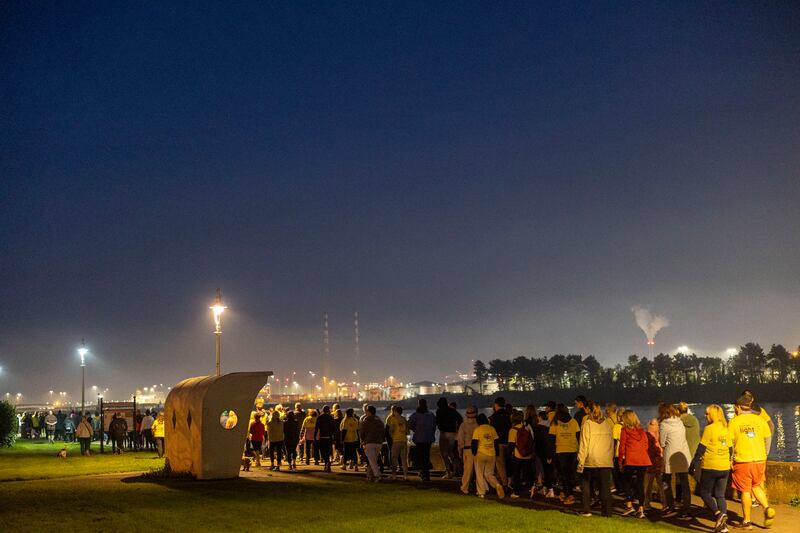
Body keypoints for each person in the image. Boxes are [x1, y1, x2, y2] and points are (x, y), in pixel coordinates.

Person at [728, 393, 775, 530]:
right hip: (759, 459)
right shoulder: (760, 420)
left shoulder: (734, 422)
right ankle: (767, 508)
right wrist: (765, 454)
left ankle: (747, 521)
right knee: (756, 486)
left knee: (745, 491)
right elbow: (768, 437)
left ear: (737, 407)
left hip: (743, 460)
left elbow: (730, 443)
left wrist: (730, 458)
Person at [690, 404, 732, 533]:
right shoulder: (726, 428)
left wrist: (694, 463)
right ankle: (722, 526)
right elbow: (730, 449)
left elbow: (701, 449)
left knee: (705, 493)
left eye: (707, 414)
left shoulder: (709, 429)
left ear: (712, 415)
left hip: (711, 465)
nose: (705, 415)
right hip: (724, 466)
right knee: (720, 495)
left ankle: (718, 514)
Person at [576, 401, 614, 517]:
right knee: (605, 488)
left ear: (589, 411)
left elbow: (584, 444)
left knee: (586, 485)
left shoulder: (587, 424)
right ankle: (607, 512)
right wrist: (610, 458)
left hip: (591, 460)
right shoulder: (607, 424)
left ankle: (587, 509)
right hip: (605, 460)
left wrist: (580, 461)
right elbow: (611, 443)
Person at [658, 402, 692, 519]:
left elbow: (662, 442)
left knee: (666, 481)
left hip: (670, 456)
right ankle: (686, 509)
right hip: (683, 455)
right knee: (685, 483)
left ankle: (670, 506)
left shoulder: (663, 424)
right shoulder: (679, 422)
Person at [618, 409, 652, 519]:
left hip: (631, 460)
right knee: (640, 484)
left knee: (626, 482)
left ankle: (629, 505)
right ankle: (641, 509)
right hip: (643, 460)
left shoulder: (625, 431)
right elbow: (646, 445)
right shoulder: (642, 431)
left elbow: (622, 447)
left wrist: (620, 461)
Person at [549, 403, 579, 505]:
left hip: (560, 451)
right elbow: (578, 436)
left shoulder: (555, 423)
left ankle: (570, 495)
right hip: (573, 450)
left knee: (564, 474)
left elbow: (551, 440)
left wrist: (550, 454)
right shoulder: (573, 421)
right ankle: (565, 492)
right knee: (569, 473)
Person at [471, 413, 505, 499]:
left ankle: (481, 492)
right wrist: (496, 453)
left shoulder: (477, 429)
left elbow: (474, 443)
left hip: (481, 453)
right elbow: (496, 442)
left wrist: (474, 453)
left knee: (479, 473)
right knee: (489, 474)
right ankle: (497, 484)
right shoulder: (492, 429)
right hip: (491, 454)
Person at [408, 398, 436, 481]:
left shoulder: (415, 415)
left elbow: (409, 425)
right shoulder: (431, 415)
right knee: (426, 456)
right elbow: (434, 426)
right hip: (428, 438)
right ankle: (426, 473)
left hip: (419, 438)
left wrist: (415, 429)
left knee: (421, 456)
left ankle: (423, 473)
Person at [508, 410, 533, 498]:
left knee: (516, 474)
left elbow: (511, 444)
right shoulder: (526, 428)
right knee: (528, 473)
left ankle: (516, 492)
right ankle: (531, 488)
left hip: (518, 454)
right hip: (528, 454)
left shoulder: (513, 430)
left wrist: (508, 454)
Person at [489, 397, 511, 487]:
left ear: (496, 404)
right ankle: (510, 481)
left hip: (499, 442)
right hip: (509, 442)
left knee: (500, 464)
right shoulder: (508, 415)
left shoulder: (494, 416)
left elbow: (492, 431)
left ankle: (504, 483)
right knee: (509, 463)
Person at [436, 397, 460, 479]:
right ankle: (456, 470)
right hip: (452, 433)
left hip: (443, 433)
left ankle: (448, 471)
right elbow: (460, 418)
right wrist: (457, 428)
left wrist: (440, 426)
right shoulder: (452, 411)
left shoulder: (439, 411)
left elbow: (438, 422)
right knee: (450, 453)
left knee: (444, 454)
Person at [457, 405, 479, 494]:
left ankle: (465, 487)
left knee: (467, 470)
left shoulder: (463, 425)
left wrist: (460, 451)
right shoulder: (479, 424)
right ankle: (480, 488)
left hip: (467, 448)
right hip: (478, 448)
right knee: (479, 470)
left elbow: (460, 440)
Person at [532, 410, 555, 498]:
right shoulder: (551, 426)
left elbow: (538, 441)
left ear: (540, 417)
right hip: (551, 451)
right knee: (549, 470)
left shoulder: (538, 427)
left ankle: (550, 489)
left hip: (542, 451)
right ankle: (547, 488)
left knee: (545, 470)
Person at [359, 405, 384, 482]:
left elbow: (361, 433)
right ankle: (369, 475)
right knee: (373, 460)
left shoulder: (365, 422)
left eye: (366, 411)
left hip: (369, 442)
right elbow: (383, 431)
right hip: (378, 442)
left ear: (369, 412)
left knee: (372, 461)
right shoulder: (379, 421)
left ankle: (378, 476)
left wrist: (362, 441)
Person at [386, 405, 409, 480]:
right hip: (404, 440)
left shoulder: (393, 419)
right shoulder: (404, 419)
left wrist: (390, 434)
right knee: (404, 459)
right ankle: (405, 475)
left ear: (396, 412)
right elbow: (407, 432)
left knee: (394, 458)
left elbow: (392, 429)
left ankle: (394, 475)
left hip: (396, 440)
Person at [315, 405, 337, 472]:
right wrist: (334, 437)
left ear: (323, 410)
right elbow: (334, 428)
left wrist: (315, 437)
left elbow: (316, 428)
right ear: (328, 410)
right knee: (328, 450)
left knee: (323, 451)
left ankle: (326, 463)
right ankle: (327, 463)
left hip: (322, 437)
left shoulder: (319, 417)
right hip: (329, 437)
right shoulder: (330, 417)